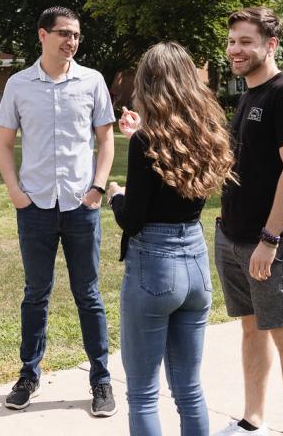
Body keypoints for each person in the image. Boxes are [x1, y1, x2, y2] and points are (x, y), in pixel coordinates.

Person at [0, 6, 118, 417]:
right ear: (42, 35)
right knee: (36, 295)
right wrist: (16, 193)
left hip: (82, 206)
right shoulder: (18, 84)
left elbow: (106, 139)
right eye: (63, 33)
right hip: (36, 207)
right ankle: (29, 375)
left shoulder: (92, 81)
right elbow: (5, 144)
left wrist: (98, 187)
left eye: (76, 35)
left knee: (89, 295)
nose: (71, 41)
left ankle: (101, 381)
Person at [108, 42, 234, 436]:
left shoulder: (146, 142)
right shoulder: (207, 132)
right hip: (195, 261)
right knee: (189, 389)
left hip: (155, 266)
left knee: (144, 393)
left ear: (149, 83)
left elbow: (134, 218)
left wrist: (115, 196)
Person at [211, 7, 283, 436]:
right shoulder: (249, 93)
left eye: (246, 42)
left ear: (270, 45)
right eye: (233, 41)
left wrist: (270, 239)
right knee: (251, 329)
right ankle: (252, 417)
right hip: (233, 235)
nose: (236, 49)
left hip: (269, 243)